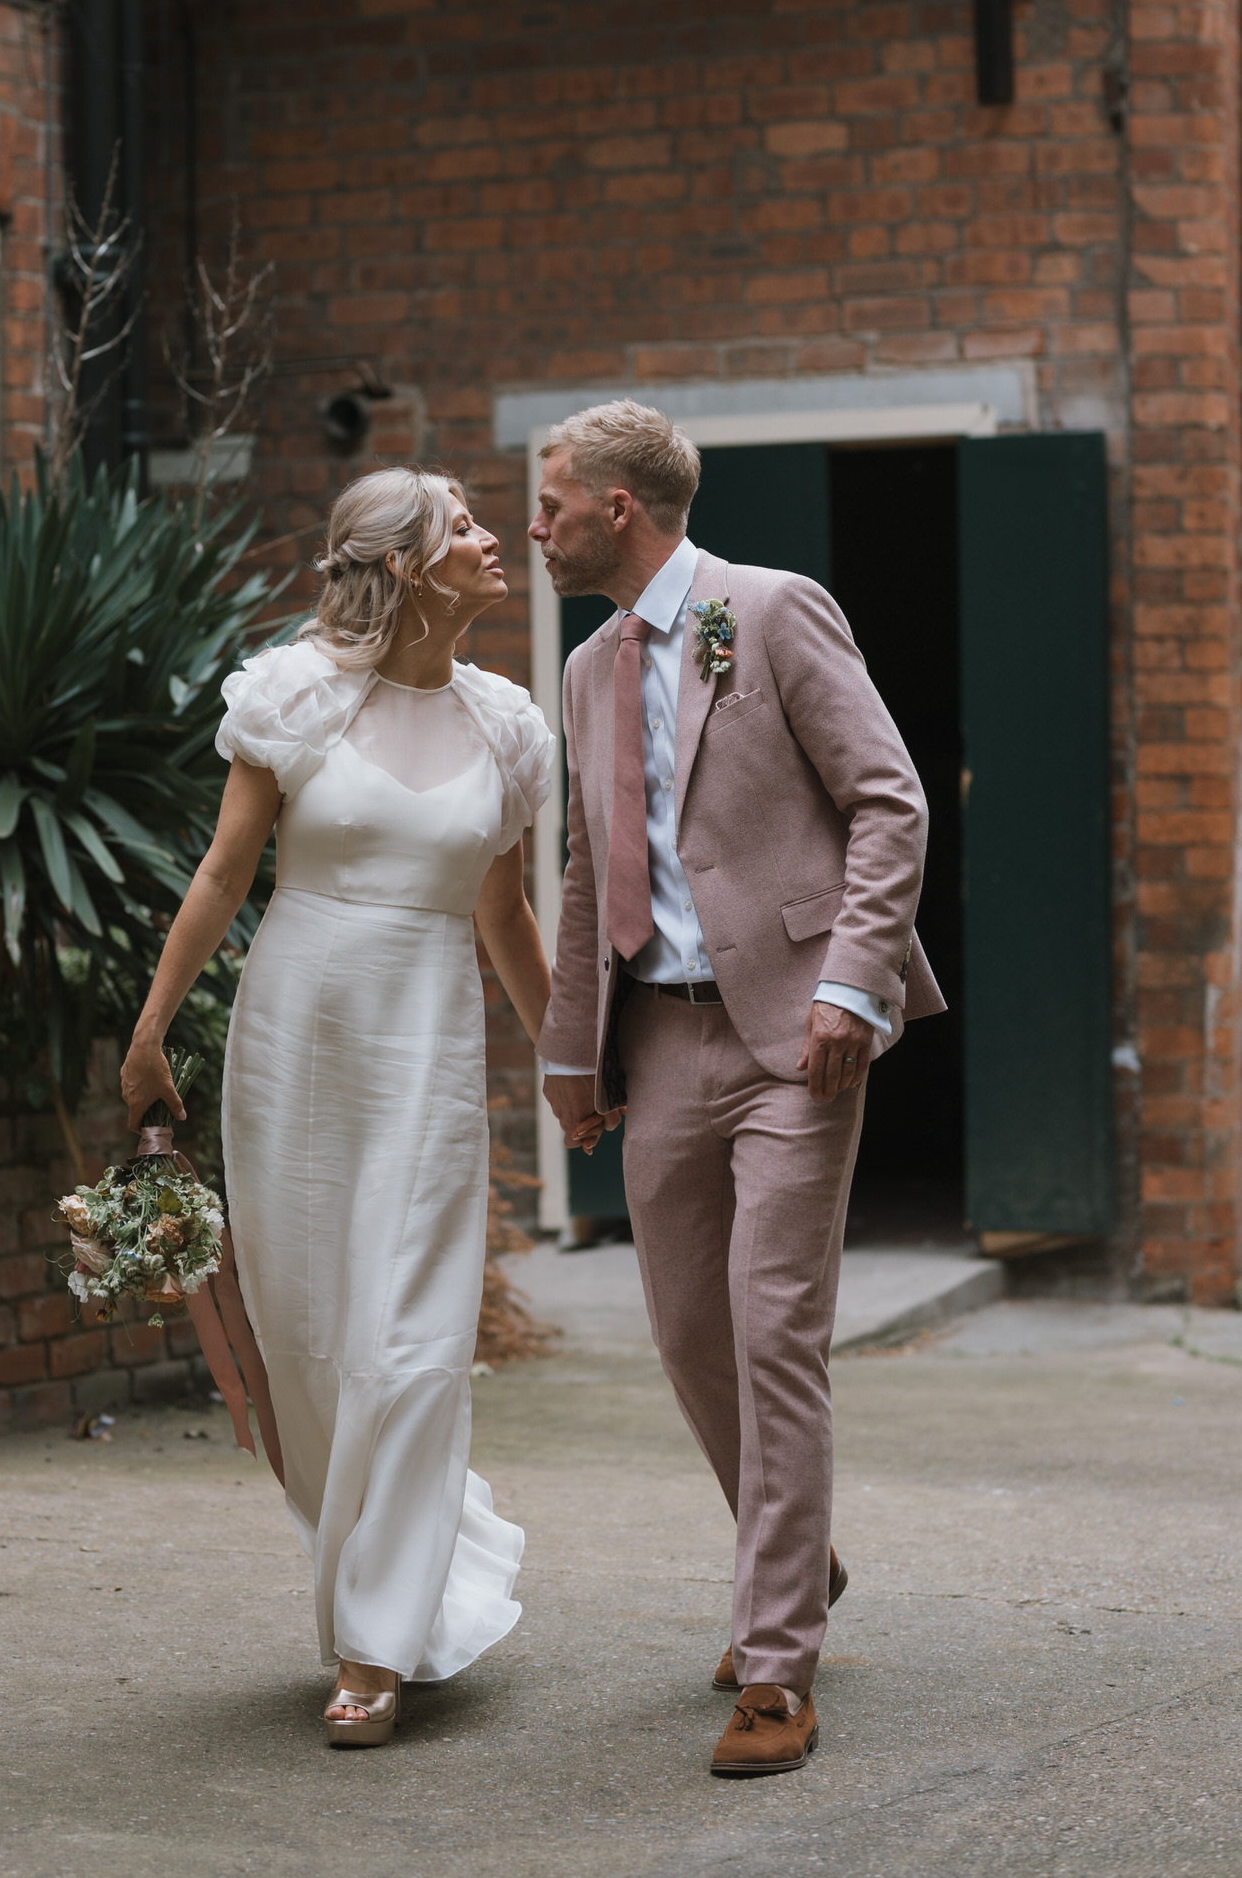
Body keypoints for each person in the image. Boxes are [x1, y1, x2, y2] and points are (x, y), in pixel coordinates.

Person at [532, 400, 943, 1777]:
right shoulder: (586, 673)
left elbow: (890, 800)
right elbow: (594, 875)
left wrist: (852, 986)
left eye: (551, 503)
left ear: (619, 511)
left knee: (774, 1334)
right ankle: (801, 1564)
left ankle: (777, 1667)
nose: (533, 526)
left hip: (794, 1037)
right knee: (688, 1339)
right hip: (659, 1042)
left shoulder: (770, 613)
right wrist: (570, 1057)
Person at [121, 468, 555, 1747]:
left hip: (427, 1040)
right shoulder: (293, 696)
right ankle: (396, 1559)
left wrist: (572, 1064)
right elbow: (222, 872)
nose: (492, 541)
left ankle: (376, 1643)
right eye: (464, 528)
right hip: (298, 1038)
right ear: (405, 564)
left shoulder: (508, 728)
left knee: (413, 1336)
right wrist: (151, 1031)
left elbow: (505, 916)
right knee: (309, 1335)